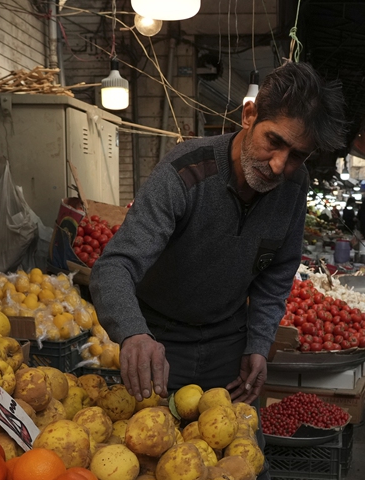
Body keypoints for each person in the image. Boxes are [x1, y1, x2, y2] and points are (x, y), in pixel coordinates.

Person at [91, 62, 345, 402]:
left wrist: (258, 341)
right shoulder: (184, 173)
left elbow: (279, 269)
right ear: (249, 115)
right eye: (274, 141)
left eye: (297, 155)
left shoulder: (294, 187)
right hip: (159, 345)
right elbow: (115, 265)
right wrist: (133, 334)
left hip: (229, 347)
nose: (278, 166)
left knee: (240, 449)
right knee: (154, 444)